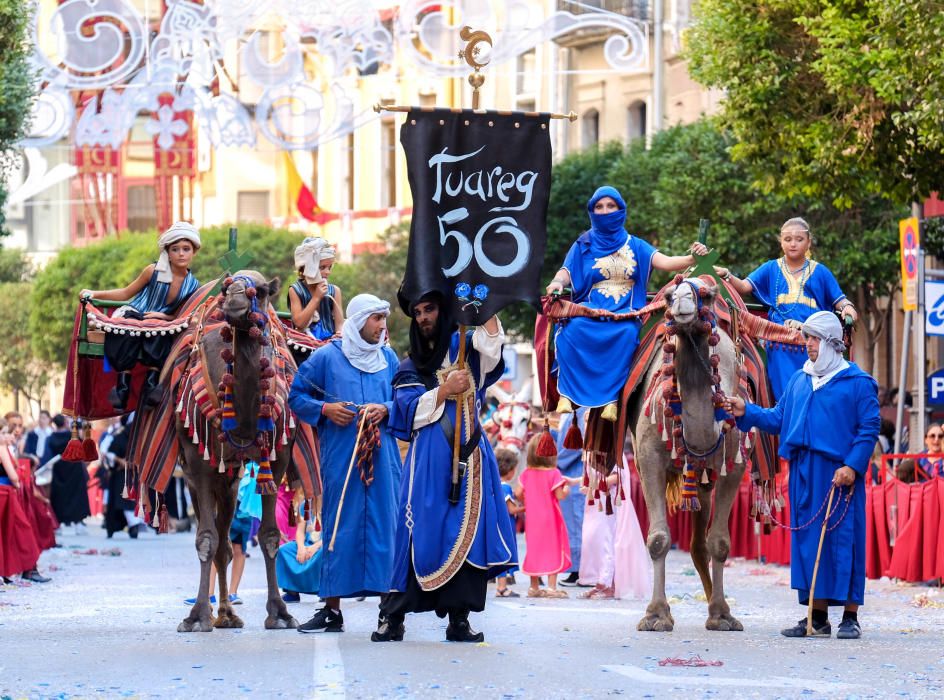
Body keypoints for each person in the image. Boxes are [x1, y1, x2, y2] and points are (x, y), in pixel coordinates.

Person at [372, 290, 517, 643]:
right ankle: (392, 618)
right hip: (427, 464)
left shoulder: (466, 348)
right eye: (418, 312)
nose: (423, 317)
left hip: (471, 461)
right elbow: (405, 412)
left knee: (467, 537)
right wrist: (442, 390)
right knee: (416, 533)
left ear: (445, 311)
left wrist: (483, 295)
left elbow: (493, 341)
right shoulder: (411, 365)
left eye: (430, 309)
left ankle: (459, 619)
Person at [724, 311, 879, 640]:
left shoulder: (858, 382)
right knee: (809, 542)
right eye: (806, 337)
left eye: (814, 339)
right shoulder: (799, 379)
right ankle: (816, 615)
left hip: (840, 474)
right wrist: (746, 411)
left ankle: (850, 616)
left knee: (845, 540)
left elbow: (869, 429)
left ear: (831, 343)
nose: (807, 344)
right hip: (803, 473)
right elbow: (780, 418)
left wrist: (852, 466)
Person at [288, 293, 401, 634]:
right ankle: (332, 611)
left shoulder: (390, 359)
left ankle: (389, 612)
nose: (383, 326)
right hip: (340, 457)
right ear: (358, 321)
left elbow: (406, 400)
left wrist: (386, 408)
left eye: (384, 318)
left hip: (383, 459)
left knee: (385, 529)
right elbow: (296, 396)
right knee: (339, 526)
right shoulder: (326, 358)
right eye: (377, 319)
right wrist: (325, 410)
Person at [545, 186, 708, 421]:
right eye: (599, 207)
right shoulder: (582, 244)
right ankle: (567, 394)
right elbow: (565, 272)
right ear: (591, 211)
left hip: (623, 316)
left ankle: (612, 399)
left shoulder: (637, 245)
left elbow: (666, 261)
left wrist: (693, 257)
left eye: (611, 206)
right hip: (588, 313)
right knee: (571, 332)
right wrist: (556, 283)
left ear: (621, 210)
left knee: (627, 333)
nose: (605, 211)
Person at [716, 217, 856, 399]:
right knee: (789, 398)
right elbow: (743, 287)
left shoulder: (820, 271)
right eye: (787, 239)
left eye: (799, 239)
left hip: (815, 344)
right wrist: (727, 274)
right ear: (781, 242)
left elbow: (841, 301)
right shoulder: (770, 268)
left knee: (818, 397)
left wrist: (848, 308)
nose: (793, 244)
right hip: (780, 344)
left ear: (809, 242)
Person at [81, 221, 201, 410]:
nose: (181, 253)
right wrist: (95, 294)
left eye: (186, 249)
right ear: (167, 252)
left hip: (160, 324)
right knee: (126, 327)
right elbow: (125, 293)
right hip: (136, 313)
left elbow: (185, 315)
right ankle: (122, 387)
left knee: (159, 332)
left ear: (194, 251)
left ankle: (152, 386)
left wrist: (165, 318)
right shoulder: (153, 271)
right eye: (175, 249)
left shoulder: (193, 285)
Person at [519, 434, 572, 599]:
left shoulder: (526, 473)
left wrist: (528, 501)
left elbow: (519, 492)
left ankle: (534, 587)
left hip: (532, 519)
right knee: (552, 549)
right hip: (550, 518)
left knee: (534, 549)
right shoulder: (554, 473)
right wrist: (567, 490)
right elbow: (559, 495)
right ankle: (551, 587)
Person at [0, 423, 44, 584]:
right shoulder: (2, 448)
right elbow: (13, 476)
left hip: (6, 492)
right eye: (5, 433)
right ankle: (29, 569)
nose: (8, 436)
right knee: (20, 530)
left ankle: (19, 570)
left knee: (8, 533)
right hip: (6, 493)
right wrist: (18, 484)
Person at [287, 237, 345, 343]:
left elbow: (339, 324)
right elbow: (299, 323)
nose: (328, 272)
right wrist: (316, 298)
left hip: (330, 344)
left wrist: (339, 335)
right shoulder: (295, 290)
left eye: (329, 267)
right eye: (322, 267)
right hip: (304, 344)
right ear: (306, 268)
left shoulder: (334, 291)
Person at [554, 410, 586, 586]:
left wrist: (555, 459)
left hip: (574, 471)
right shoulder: (571, 411)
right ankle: (575, 567)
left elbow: (575, 446)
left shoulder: (580, 412)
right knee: (570, 524)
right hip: (567, 471)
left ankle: (579, 569)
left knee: (576, 523)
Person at [275, 487, 322, 602]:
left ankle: (325, 591)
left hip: (322, 544)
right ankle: (292, 591)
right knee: (284, 550)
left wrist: (315, 547)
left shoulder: (332, 505)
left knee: (323, 553)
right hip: (306, 543)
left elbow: (334, 533)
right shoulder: (305, 505)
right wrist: (301, 547)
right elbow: (300, 531)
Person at [47, 415, 91, 534]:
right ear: (65, 423)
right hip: (74, 468)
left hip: (58, 469)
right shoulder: (72, 436)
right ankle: (78, 524)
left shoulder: (51, 437)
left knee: (59, 497)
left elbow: (47, 453)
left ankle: (58, 525)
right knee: (76, 496)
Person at [494, 448, 523, 598]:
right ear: (509, 470)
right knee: (505, 554)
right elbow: (511, 510)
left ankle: (501, 586)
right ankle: (502, 587)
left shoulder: (494, 484)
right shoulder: (505, 487)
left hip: (497, 525)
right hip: (506, 527)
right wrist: (527, 507)